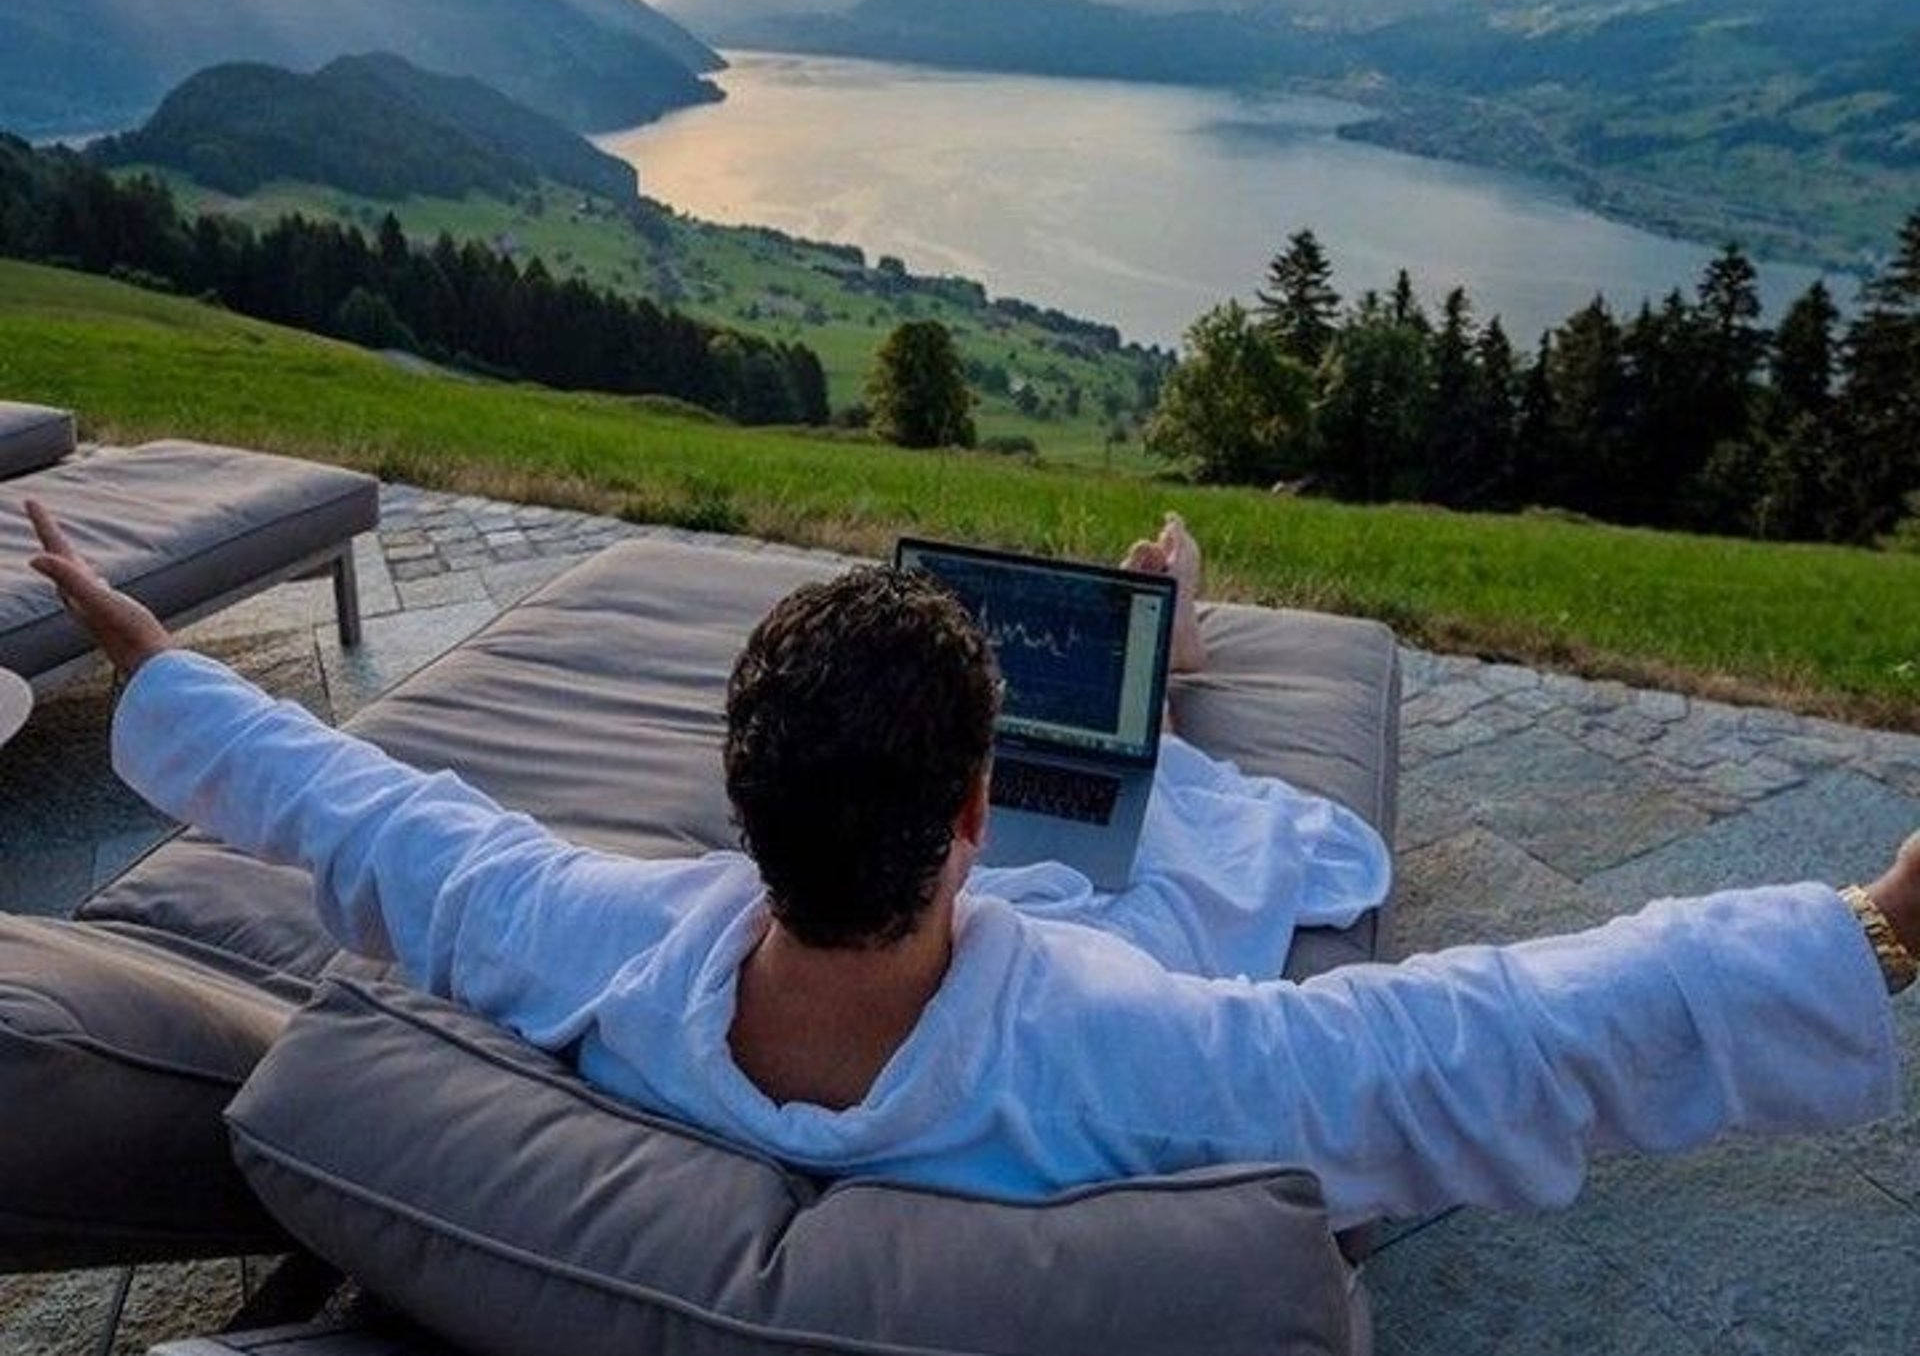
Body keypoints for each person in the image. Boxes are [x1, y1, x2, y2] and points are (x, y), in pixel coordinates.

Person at [25, 496, 1918, 1228]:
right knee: (1189, 834)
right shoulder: (1146, 1055)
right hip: (1090, 943)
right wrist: (1874, 928)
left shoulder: (601, 948)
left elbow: (382, 822)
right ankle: (1162, 630)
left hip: (922, 928)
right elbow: (1493, 1033)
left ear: (738, 808)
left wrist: (160, 657)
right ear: (972, 819)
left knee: (1169, 790)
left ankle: (1163, 625)